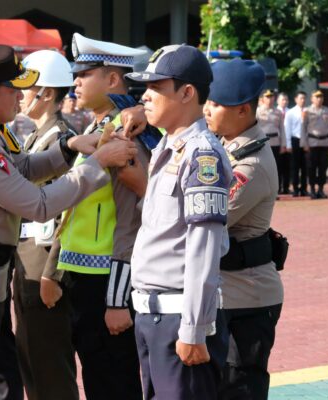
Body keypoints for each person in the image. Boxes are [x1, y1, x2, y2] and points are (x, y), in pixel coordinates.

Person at [0, 44, 137, 400]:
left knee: (2, 383)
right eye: (13, 91)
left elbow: (20, 168)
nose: (21, 99)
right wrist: (98, 162)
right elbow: (38, 204)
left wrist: (69, 148)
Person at [124, 44, 232, 399]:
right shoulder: (167, 146)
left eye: (157, 87)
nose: (146, 97)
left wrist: (194, 328)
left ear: (187, 93)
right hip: (151, 317)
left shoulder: (202, 154)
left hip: (177, 320)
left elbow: (203, 247)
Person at [55, 32, 148, 400]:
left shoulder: (124, 134)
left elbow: (130, 219)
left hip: (106, 280)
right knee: (96, 378)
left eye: (85, 74)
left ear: (112, 79)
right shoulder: (96, 130)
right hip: (84, 276)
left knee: (114, 381)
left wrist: (116, 299)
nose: (75, 82)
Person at [203, 59, 284, 400]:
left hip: (247, 298)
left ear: (243, 110)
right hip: (228, 294)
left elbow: (208, 218)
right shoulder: (224, 146)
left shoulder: (250, 165)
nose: (206, 109)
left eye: (216, 103)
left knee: (238, 389)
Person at [9, 49, 81, 400]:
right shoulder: (36, 137)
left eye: (25, 87)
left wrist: (53, 272)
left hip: (44, 263)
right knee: (31, 361)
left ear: (47, 93)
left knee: (51, 368)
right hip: (25, 260)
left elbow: (68, 212)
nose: (18, 95)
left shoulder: (62, 139)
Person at [301, 90, 328, 199]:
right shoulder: (307, 111)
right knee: (311, 167)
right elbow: (303, 128)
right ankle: (312, 189)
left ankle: (320, 189)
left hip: (324, 143)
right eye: (317, 97)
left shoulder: (327, 111)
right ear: (312, 99)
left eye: (321, 97)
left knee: (323, 167)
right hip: (312, 143)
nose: (319, 99)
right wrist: (304, 143)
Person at [256, 89, 288, 195]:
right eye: (267, 97)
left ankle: (274, 191)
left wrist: (284, 144)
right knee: (262, 167)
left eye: (271, 97)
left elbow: (282, 129)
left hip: (275, 142)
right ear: (262, 99)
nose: (270, 99)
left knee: (275, 168)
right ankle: (262, 191)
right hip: (262, 143)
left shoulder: (278, 112)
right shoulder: (257, 112)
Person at [285, 91, 308, 197]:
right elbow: (287, 129)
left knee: (305, 166)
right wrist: (288, 144)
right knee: (295, 166)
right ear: (296, 99)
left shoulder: (308, 111)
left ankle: (304, 188)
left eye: (304, 98)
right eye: (301, 98)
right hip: (295, 140)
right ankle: (295, 188)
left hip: (306, 141)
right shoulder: (291, 112)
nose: (302, 100)